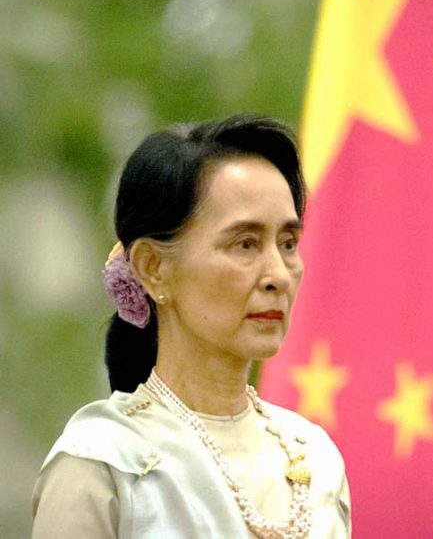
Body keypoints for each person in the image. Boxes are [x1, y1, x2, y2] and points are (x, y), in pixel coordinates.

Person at [32, 115, 351, 538]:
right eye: (245, 244)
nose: (278, 273)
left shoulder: (315, 458)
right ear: (154, 267)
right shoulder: (102, 462)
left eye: (288, 244)